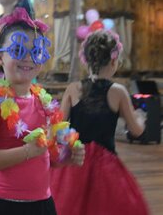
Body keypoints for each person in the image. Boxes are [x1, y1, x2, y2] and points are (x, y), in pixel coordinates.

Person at [0, 8, 85, 215]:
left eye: (36, 51)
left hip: (41, 204)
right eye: (18, 50)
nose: (29, 58)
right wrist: (26, 152)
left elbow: (45, 156)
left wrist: (66, 157)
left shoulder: (43, 101)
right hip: (2, 205)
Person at [50, 30, 149, 215]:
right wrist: (140, 118)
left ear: (85, 60)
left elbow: (58, 127)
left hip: (75, 160)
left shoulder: (73, 89)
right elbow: (136, 131)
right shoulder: (118, 92)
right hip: (106, 165)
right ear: (113, 61)